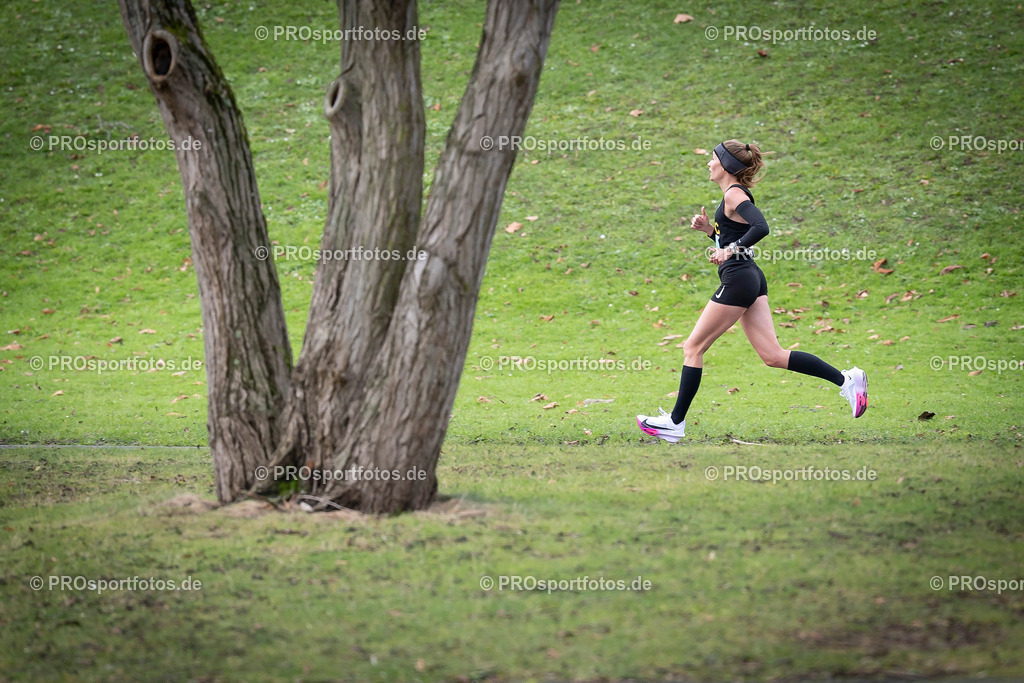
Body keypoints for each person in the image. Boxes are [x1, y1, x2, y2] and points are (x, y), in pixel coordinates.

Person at [637, 140, 867, 443]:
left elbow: (761, 226)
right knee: (772, 355)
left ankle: (675, 423)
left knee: (693, 348)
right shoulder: (730, 197)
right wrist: (710, 231)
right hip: (750, 277)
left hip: (739, 279)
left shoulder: (734, 194)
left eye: (713, 158)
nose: (708, 163)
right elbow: (735, 232)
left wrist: (730, 250)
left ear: (725, 165)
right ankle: (847, 379)